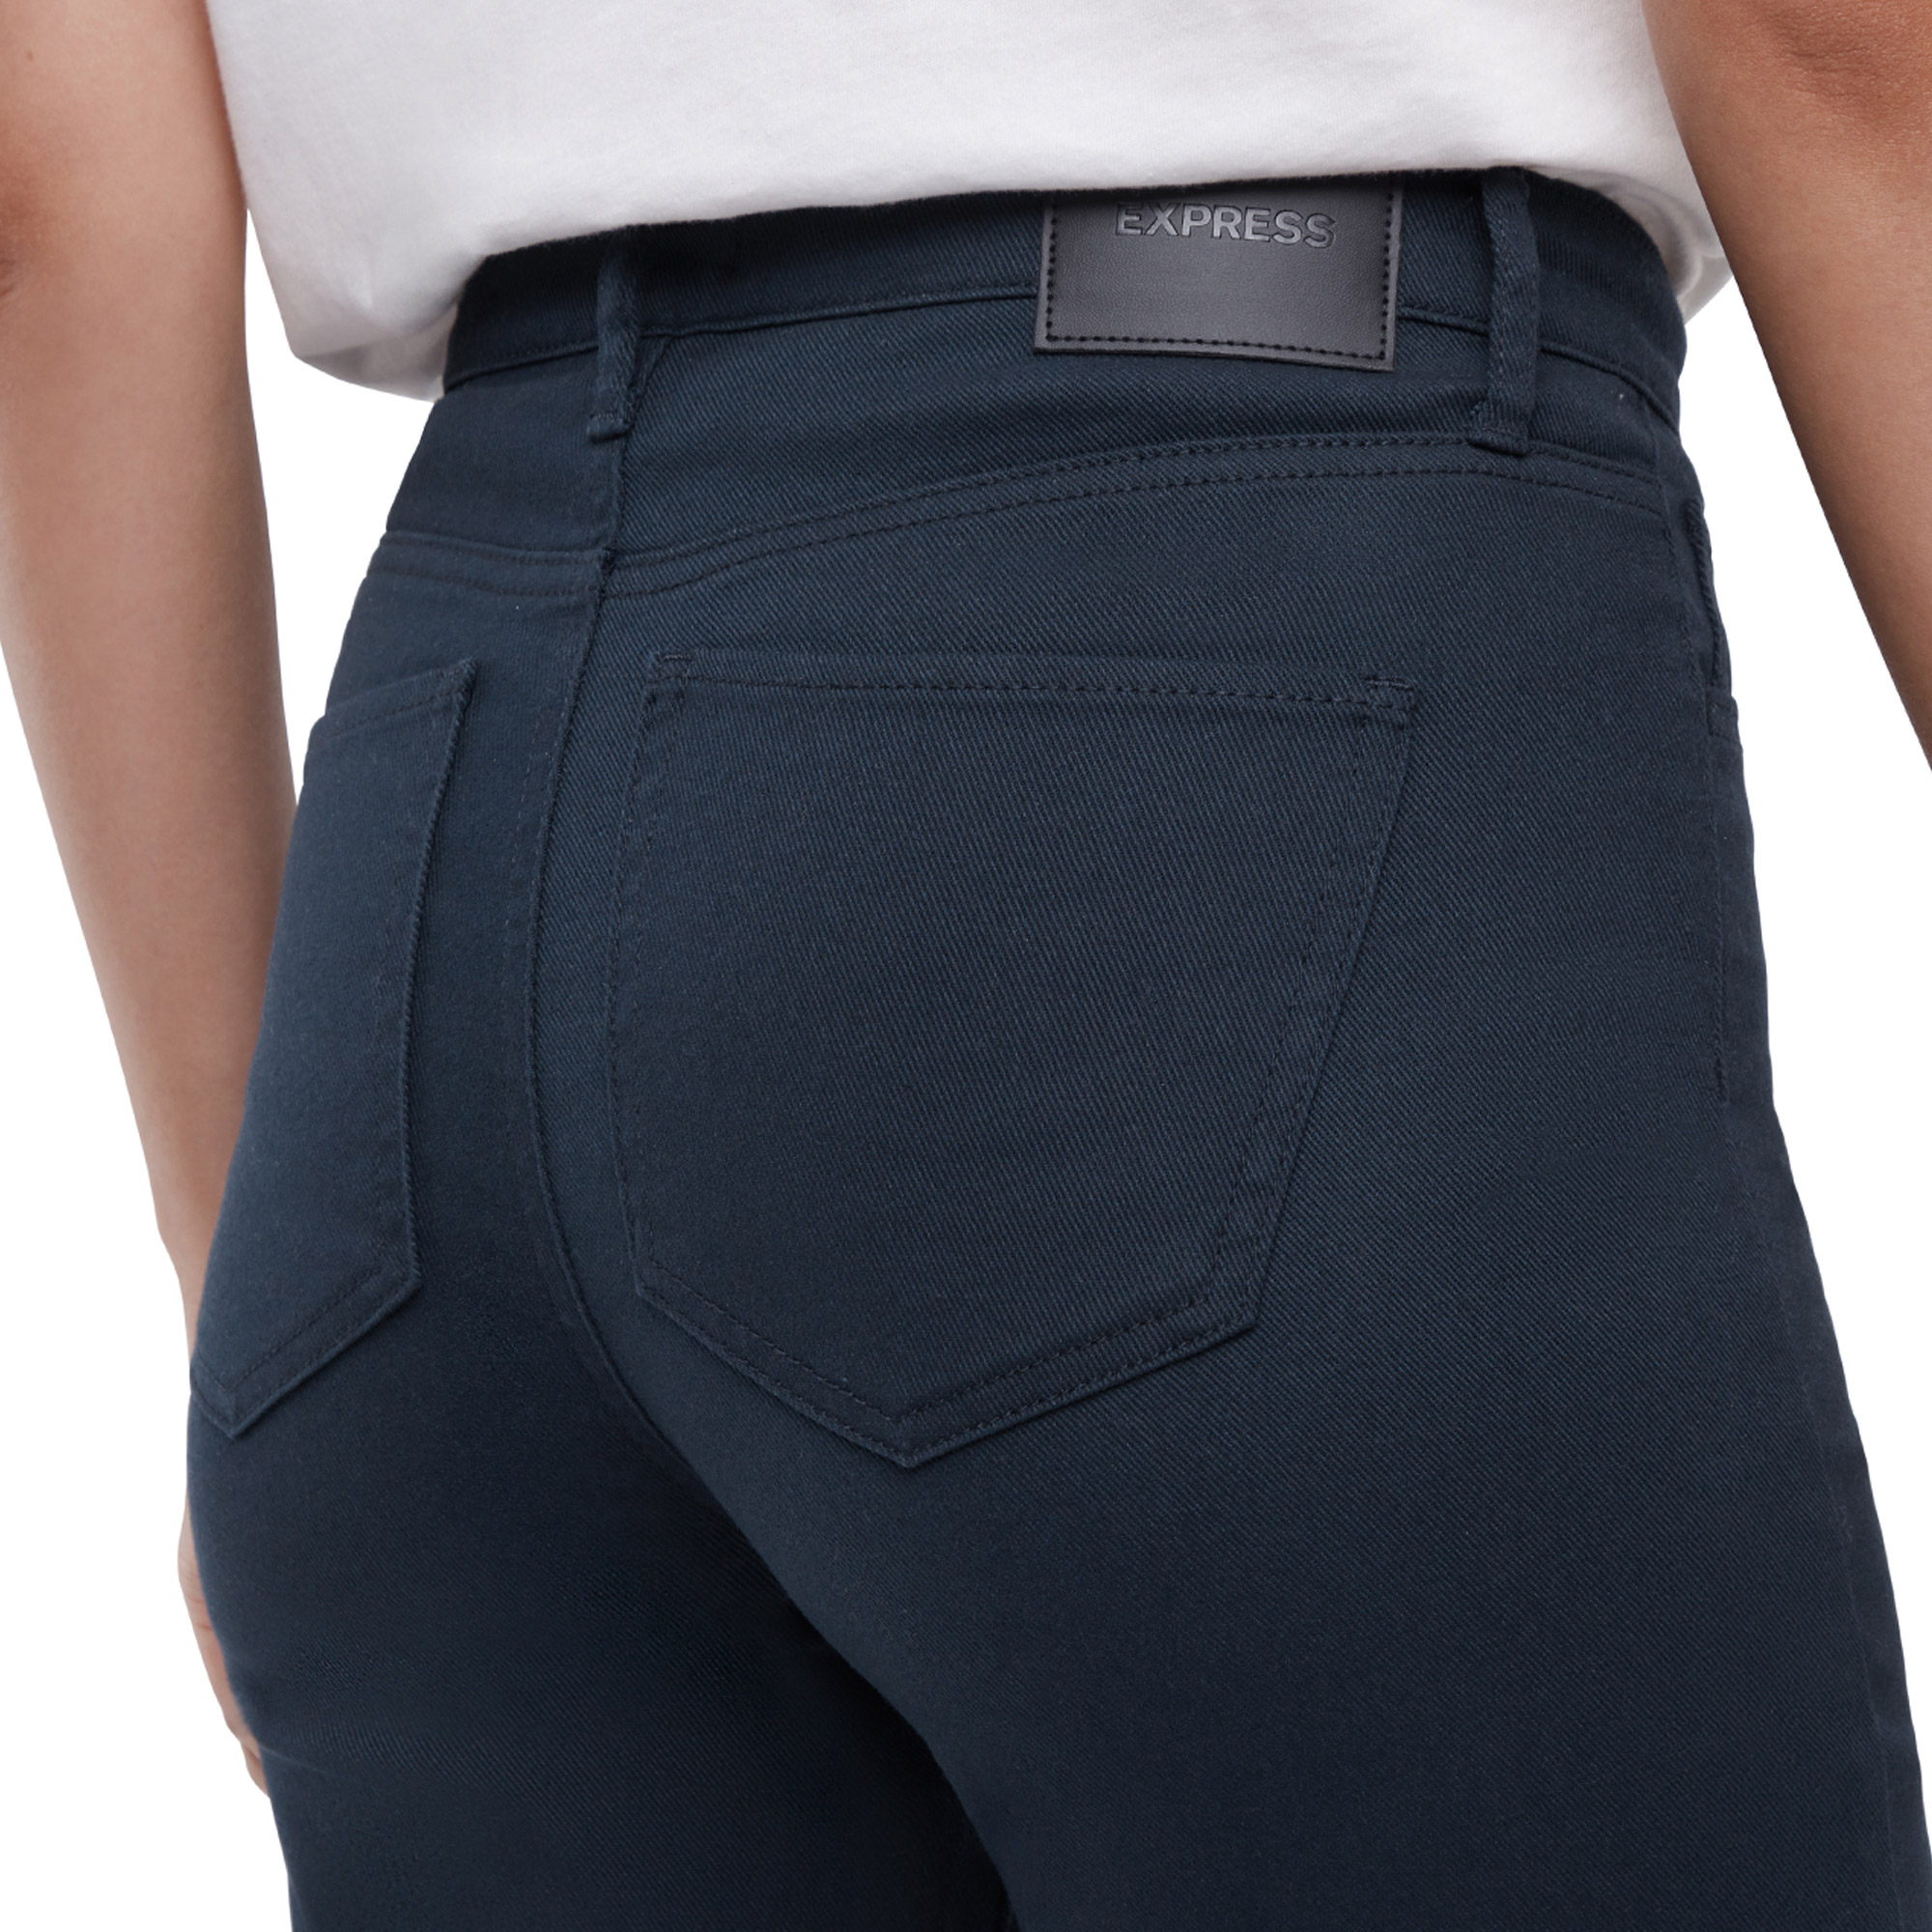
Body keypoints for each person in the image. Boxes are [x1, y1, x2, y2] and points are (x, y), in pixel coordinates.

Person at [3, 1, 1930, 1925]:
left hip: (443, 863)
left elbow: (43, 199)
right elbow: (1823, 44)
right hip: (1250, 641)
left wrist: (251, 1242)